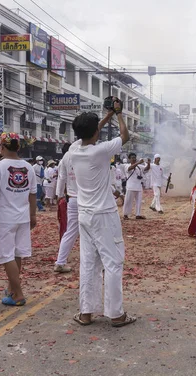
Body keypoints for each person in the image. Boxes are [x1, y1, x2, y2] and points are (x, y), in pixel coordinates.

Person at [68, 98, 136, 327]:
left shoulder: (73, 149)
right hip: (104, 214)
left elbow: (90, 132)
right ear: (94, 132)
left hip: (84, 214)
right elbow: (125, 137)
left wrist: (105, 115)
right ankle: (116, 314)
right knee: (113, 261)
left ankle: (86, 313)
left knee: (88, 263)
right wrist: (117, 113)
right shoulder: (100, 151)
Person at [0, 133, 37, 306]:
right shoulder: (28, 167)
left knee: (6, 255)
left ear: (2, 147)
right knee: (16, 254)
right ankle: (12, 289)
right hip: (22, 217)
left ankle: (18, 294)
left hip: (4, 218)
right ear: (18, 147)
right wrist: (33, 215)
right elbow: (33, 194)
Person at [54, 142, 77, 274]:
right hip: (88, 200)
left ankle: (60, 262)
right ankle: (100, 263)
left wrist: (59, 195)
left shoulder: (65, 158)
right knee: (95, 231)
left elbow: (61, 178)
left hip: (72, 199)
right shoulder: (84, 154)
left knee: (70, 232)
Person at [123, 154, 150, 220]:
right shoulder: (127, 165)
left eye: (135, 158)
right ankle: (125, 214)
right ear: (129, 159)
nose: (134, 159)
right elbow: (130, 168)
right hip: (130, 187)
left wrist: (148, 163)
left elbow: (146, 169)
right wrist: (138, 162)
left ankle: (138, 214)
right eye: (132, 158)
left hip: (138, 186)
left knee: (139, 201)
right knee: (128, 201)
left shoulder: (139, 166)